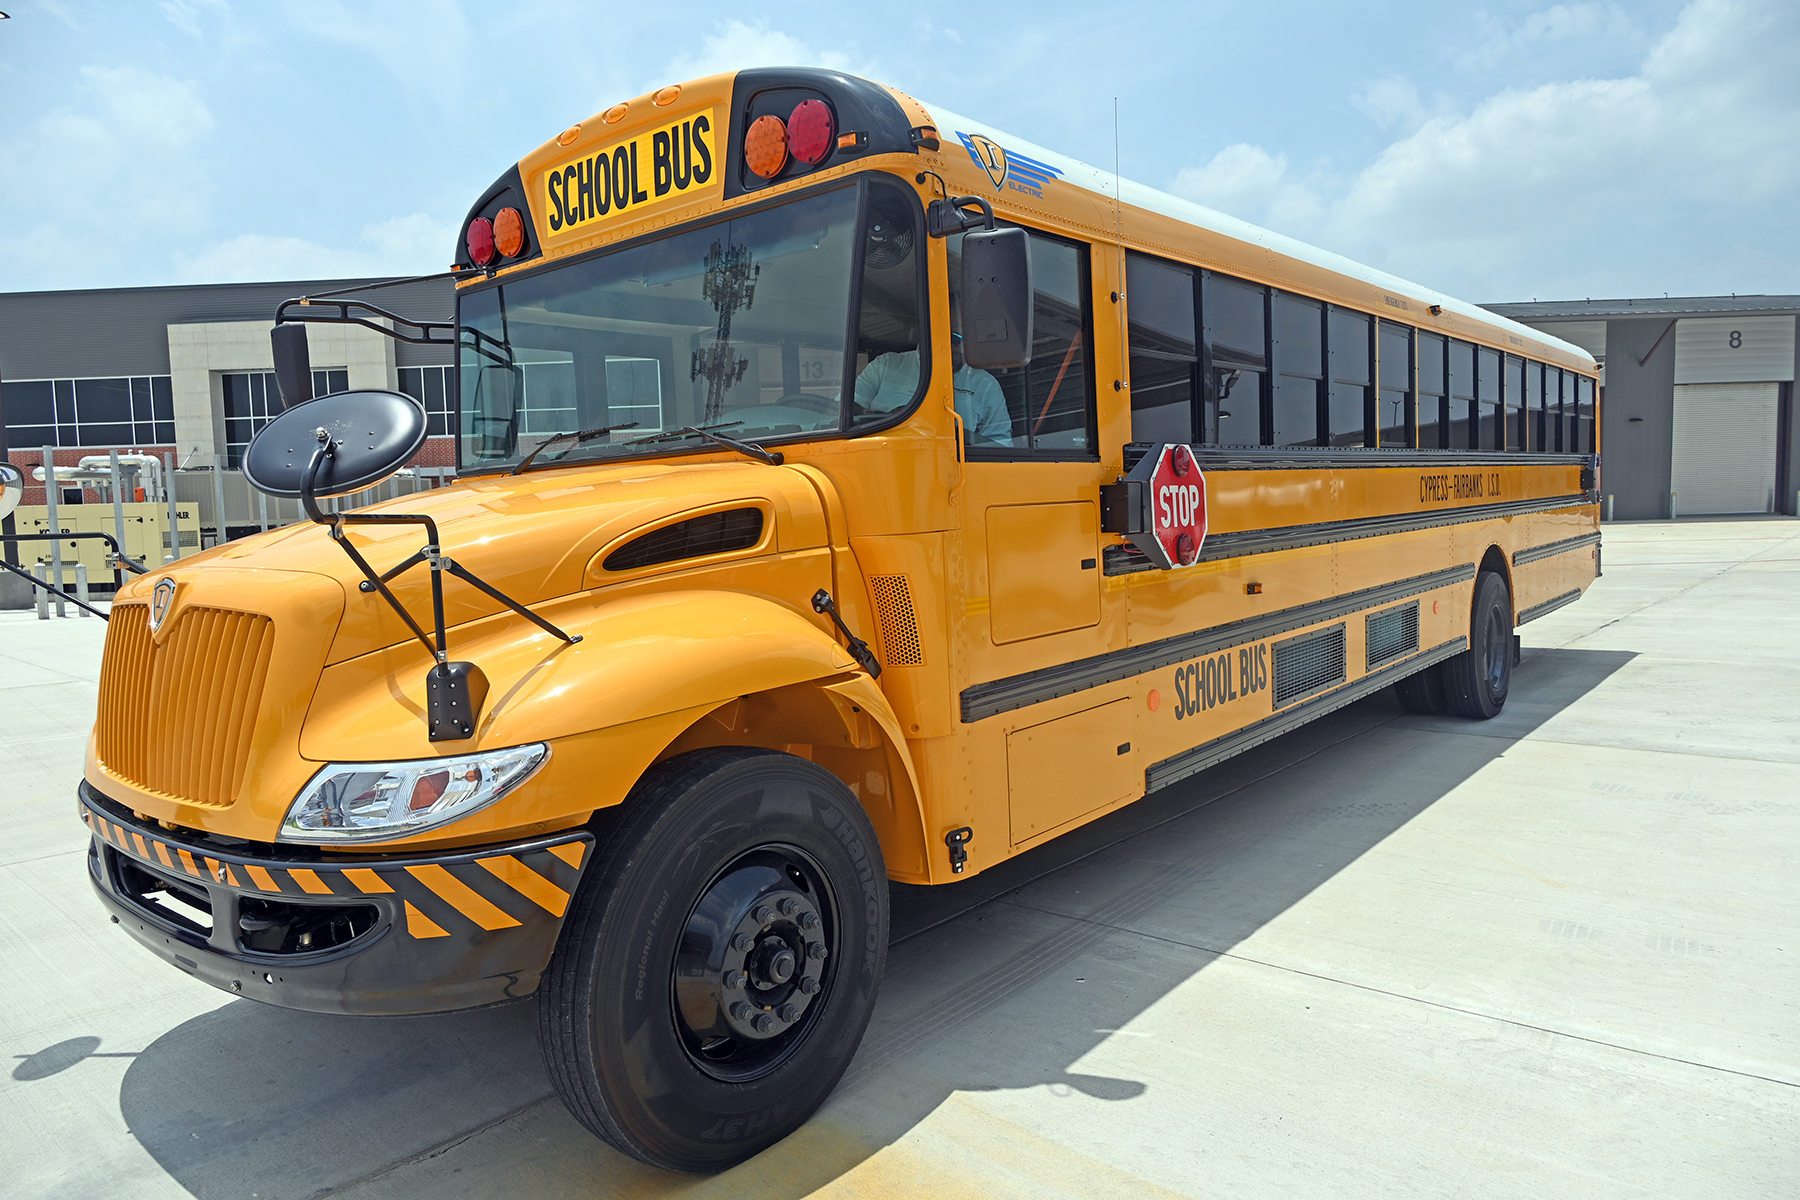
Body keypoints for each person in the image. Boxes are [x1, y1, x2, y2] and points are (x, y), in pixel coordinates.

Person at [851, 303, 1013, 445]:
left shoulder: (986, 385)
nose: (963, 347)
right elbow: (846, 412)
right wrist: (893, 419)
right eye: (955, 338)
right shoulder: (885, 365)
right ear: (932, 329)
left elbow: (1000, 446)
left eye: (971, 339)